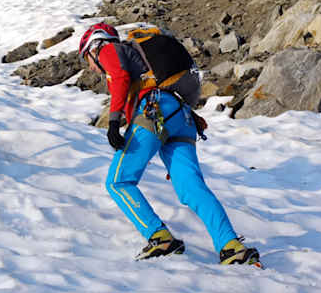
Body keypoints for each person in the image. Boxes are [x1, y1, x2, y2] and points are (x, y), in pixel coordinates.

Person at [78, 23, 261, 264]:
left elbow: (121, 77)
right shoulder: (135, 56)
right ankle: (230, 245)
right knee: (191, 188)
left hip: (154, 111)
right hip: (182, 117)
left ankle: (159, 237)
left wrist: (113, 122)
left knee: (118, 181)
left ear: (94, 46)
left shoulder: (108, 49)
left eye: (87, 59)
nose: (92, 67)